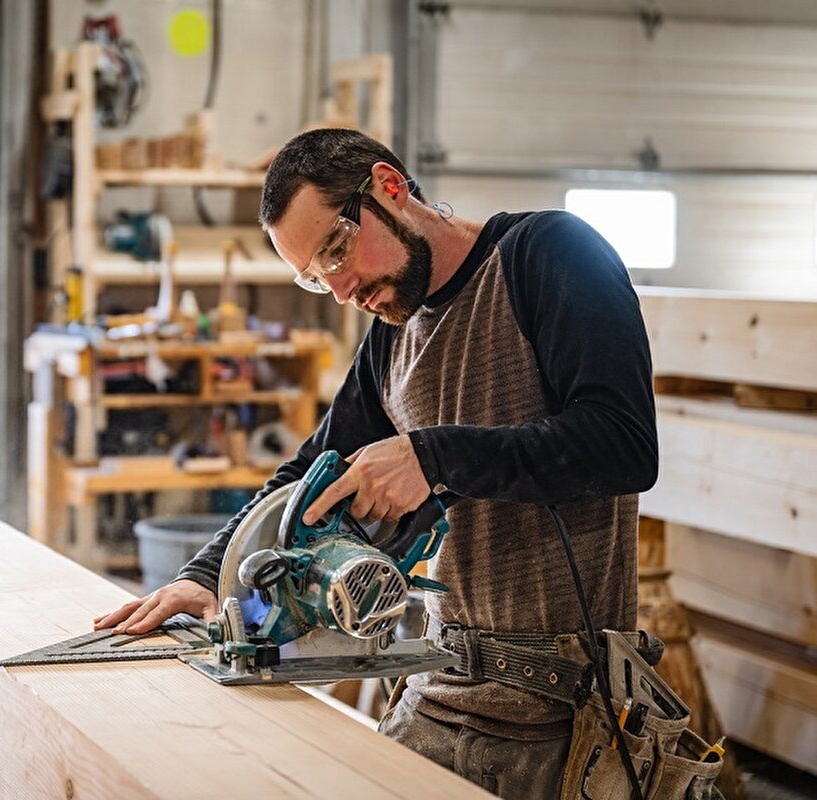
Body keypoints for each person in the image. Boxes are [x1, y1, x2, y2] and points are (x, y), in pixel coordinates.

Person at [95, 128, 657, 797]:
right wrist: (209, 573)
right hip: (437, 686)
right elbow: (311, 470)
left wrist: (432, 456)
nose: (341, 288)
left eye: (337, 248)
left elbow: (622, 443)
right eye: (316, 276)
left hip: (562, 713)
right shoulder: (393, 337)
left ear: (390, 189)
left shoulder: (550, 255)